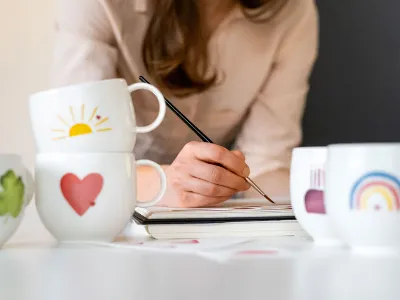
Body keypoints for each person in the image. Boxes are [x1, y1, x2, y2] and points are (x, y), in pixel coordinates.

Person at [53, 0, 318, 208]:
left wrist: (316, 202)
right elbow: (78, 158)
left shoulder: (291, 11)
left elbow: (266, 161)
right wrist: (163, 183)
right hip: (112, 213)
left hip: (210, 218)